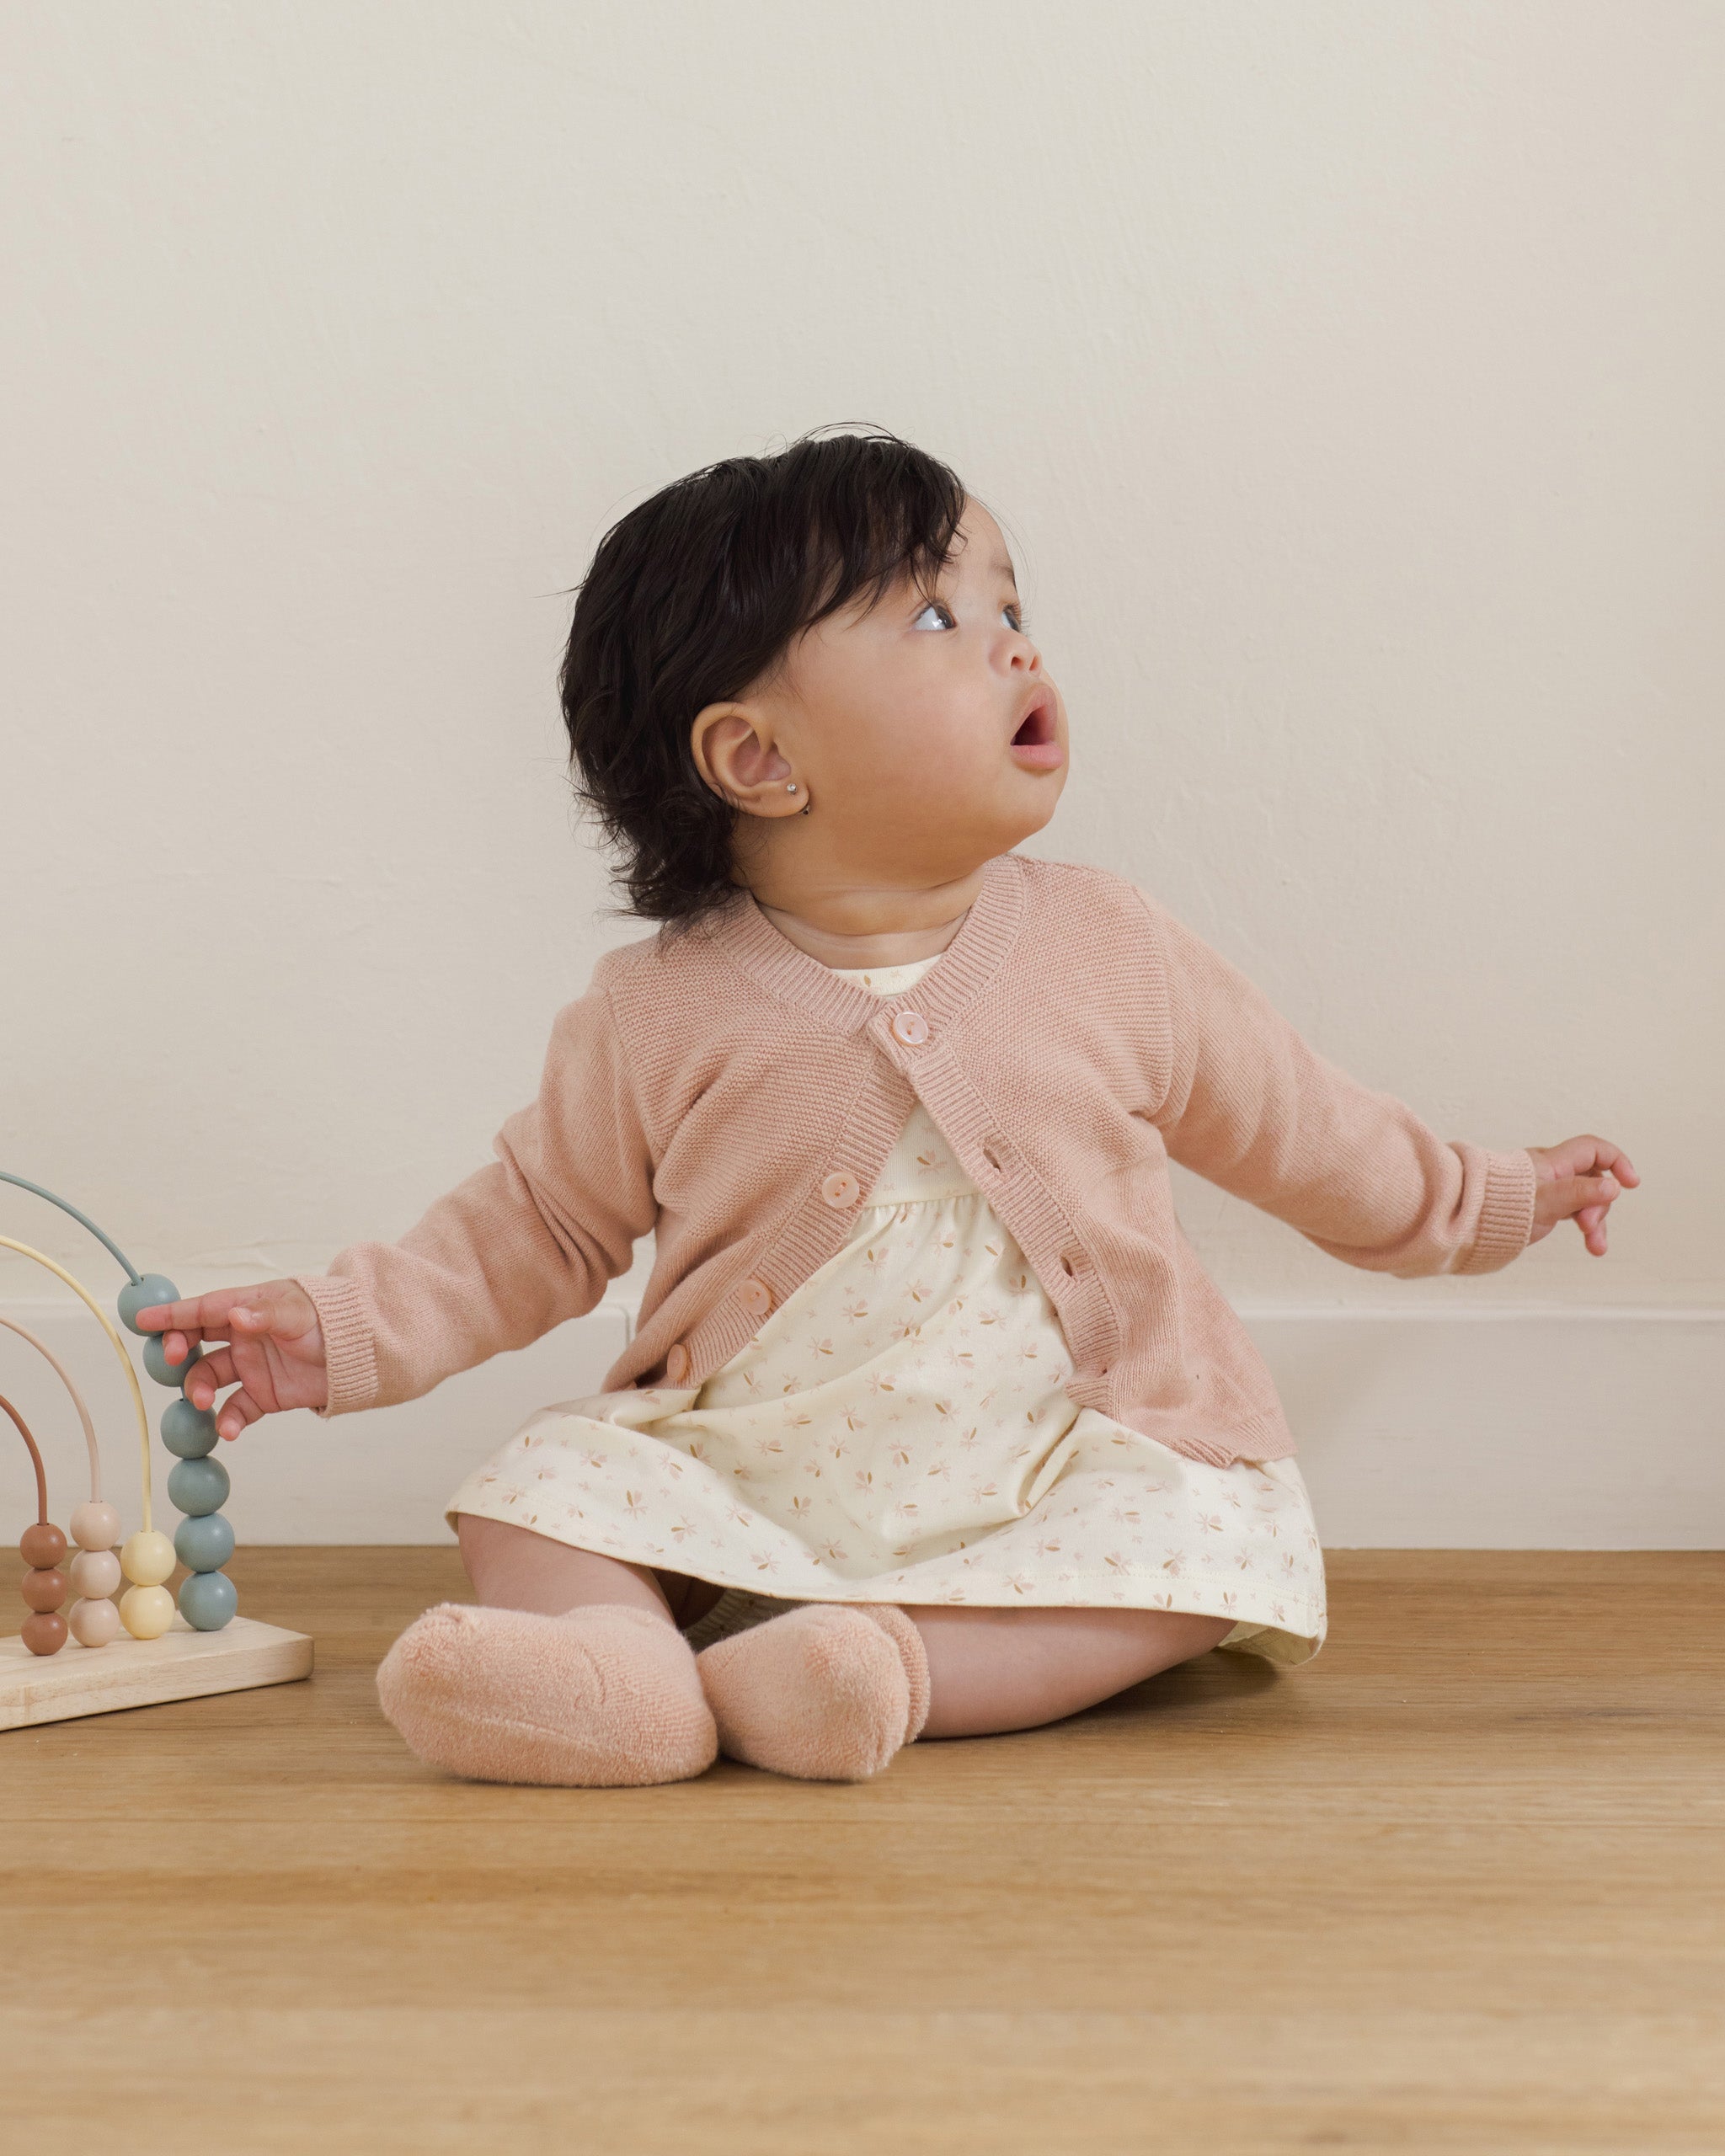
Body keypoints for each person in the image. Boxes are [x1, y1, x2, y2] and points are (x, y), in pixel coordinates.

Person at [135, 427, 1637, 1788]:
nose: (1009, 643)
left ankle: (880, 1673)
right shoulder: (657, 1010)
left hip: (1067, 1453)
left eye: (1009, 608)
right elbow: (528, 1228)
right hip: (762, 1455)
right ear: (757, 757)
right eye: (937, 614)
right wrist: (337, 1332)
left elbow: (1317, 1134)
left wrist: (1498, 1196)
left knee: (1196, 1554)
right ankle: (623, 1677)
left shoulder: (1110, 948)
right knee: (536, 1490)